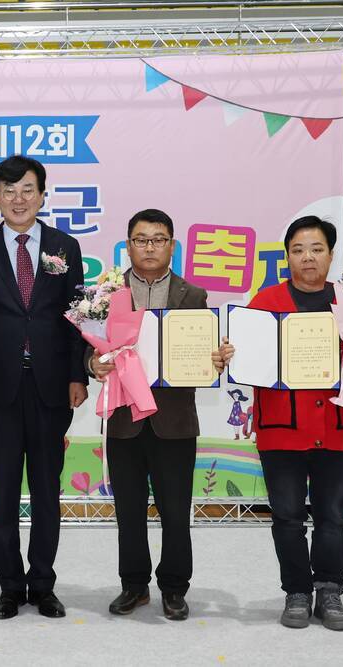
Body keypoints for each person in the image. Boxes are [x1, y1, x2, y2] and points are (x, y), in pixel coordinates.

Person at [221, 216, 343, 631]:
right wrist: (229, 354)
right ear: (287, 257)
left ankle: (331, 591)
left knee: (332, 516)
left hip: (335, 425)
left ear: (331, 255)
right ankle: (297, 592)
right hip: (280, 428)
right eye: (298, 250)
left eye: (316, 249)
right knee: (286, 516)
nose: (307, 258)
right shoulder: (266, 302)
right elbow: (245, 362)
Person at [0, 155, 88, 620]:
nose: (18, 198)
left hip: (53, 388)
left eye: (27, 189)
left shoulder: (64, 247)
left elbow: (78, 318)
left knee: (47, 492)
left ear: (42, 194)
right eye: (8, 190)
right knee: (4, 492)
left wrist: (78, 374)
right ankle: (10, 586)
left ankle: (44, 584)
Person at [88, 209, 225, 622]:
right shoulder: (107, 294)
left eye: (158, 239)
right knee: (128, 511)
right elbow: (90, 346)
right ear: (127, 245)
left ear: (172, 245)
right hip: (125, 419)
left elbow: (202, 355)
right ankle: (133, 585)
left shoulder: (193, 296)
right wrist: (93, 366)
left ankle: (174, 588)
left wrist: (213, 361)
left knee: (175, 510)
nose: (149, 246)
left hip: (174, 421)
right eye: (141, 239)